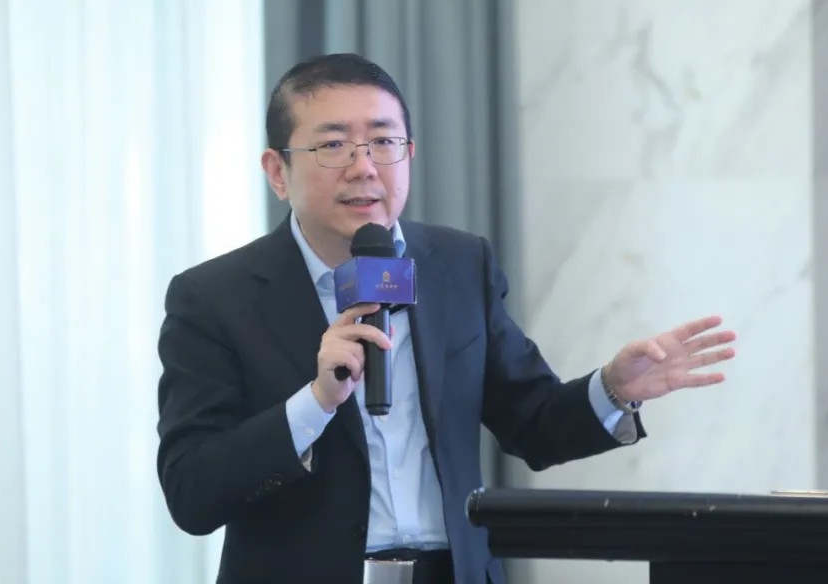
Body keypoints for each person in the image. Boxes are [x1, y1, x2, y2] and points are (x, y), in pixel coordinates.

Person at [156, 53, 736, 584]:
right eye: (333, 145)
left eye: (384, 142)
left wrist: (612, 389)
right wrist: (315, 402)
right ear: (277, 172)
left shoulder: (458, 264)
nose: (364, 167)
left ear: (408, 154)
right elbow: (192, 492)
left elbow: (531, 422)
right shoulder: (213, 298)